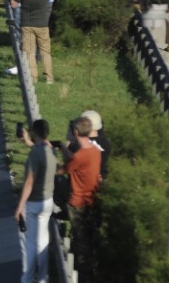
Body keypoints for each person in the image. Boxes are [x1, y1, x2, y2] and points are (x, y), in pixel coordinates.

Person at [59, 117, 102, 283]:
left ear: (75, 132)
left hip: (78, 202)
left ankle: (84, 277)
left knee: (80, 242)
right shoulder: (95, 151)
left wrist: (52, 154)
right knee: (90, 238)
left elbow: (64, 170)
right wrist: (67, 152)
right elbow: (77, 162)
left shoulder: (78, 157)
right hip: (92, 200)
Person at [15, 119, 57, 283]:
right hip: (47, 202)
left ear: (34, 133)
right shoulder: (50, 151)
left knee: (28, 244)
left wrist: (19, 207)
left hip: (32, 204)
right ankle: (43, 279)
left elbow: (29, 182)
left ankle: (27, 278)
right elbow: (43, 155)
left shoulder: (35, 154)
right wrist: (27, 142)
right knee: (42, 241)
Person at [10, 0, 54, 83]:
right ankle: (49, 77)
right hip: (42, 25)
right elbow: (48, 1)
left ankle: (33, 77)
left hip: (27, 25)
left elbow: (13, 4)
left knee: (29, 52)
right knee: (45, 52)